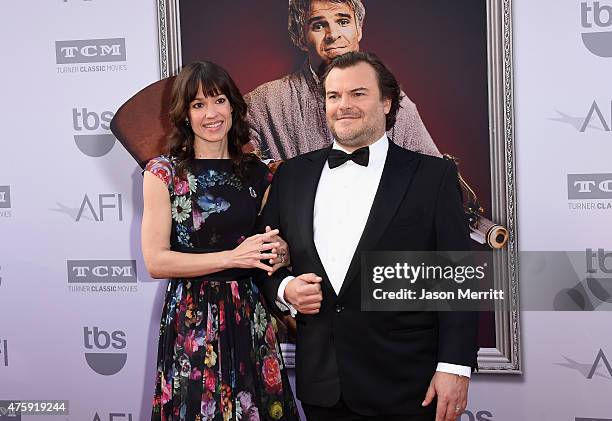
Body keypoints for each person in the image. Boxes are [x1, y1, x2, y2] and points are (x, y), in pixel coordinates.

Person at [259, 52, 478, 421]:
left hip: (409, 384)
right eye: (333, 96)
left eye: (358, 94)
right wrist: (285, 289)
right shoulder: (291, 176)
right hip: (324, 384)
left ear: (386, 101)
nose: (343, 106)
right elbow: (264, 257)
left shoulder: (432, 176)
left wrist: (455, 366)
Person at [141, 61, 299, 421]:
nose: (210, 113)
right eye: (198, 105)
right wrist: (233, 257)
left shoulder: (262, 173)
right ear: (184, 114)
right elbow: (156, 261)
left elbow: (273, 248)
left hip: (249, 314)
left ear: (233, 107)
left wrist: (281, 252)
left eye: (219, 100)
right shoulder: (163, 173)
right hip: (190, 318)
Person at [245, 0, 440, 160]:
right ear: (300, 38)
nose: (334, 35)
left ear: (359, 30)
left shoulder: (394, 102)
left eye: (343, 22)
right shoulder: (263, 103)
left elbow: (435, 181)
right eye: (319, 25)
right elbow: (229, 173)